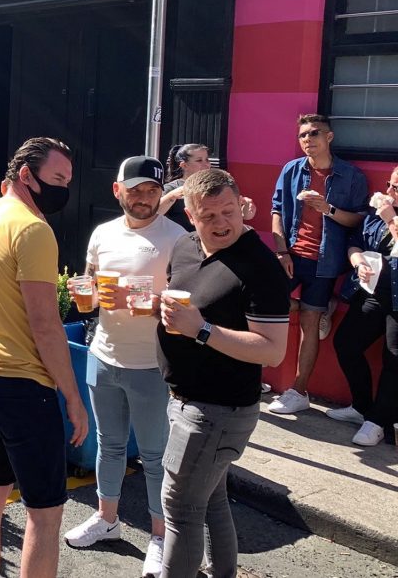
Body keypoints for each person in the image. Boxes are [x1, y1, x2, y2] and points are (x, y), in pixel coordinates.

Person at [156, 168, 289, 577]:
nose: (221, 223)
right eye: (208, 215)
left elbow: (272, 351)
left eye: (228, 212)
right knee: (210, 500)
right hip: (184, 398)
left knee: (179, 507)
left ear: (241, 207)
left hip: (217, 410)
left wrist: (202, 330)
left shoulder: (261, 267)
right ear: (190, 215)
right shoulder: (184, 247)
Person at [0, 136, 87, 578]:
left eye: (68, 180)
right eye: (57, 179)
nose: (63, 189)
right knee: (45, 513)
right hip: (21, 386)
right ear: (26, 175)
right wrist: (73, 396)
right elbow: (45, 324)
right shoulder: (34, 230)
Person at [62, 156, 184, 577]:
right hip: (103, 354)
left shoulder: (177, 237)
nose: (144, 198)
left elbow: (188, 303)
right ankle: (107, 518)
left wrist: (149, 305)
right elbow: (91, 283)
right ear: (118, 191)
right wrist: (85, 295)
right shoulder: (102, 233)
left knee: (154, 456)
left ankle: (159, 535)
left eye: (152, 190)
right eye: (135, 190)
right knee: (108, 445)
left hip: (151, 364)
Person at [269, 114, 368, 415]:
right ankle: (324, 306)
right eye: (302, 136)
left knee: (309, 325)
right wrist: (281, 251)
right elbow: (276, 211)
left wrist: (327, 208)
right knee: (264, 305)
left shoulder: (351, 176)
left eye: (314, 134)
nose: (307, 141)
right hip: (290, 257)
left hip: (324, 263)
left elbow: (360, 220)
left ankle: (299, 391)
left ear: (330, 137)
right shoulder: (291, 170)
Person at [327, 166, 398, 446]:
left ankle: (378, 421)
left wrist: (392, 218)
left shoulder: (387, 213)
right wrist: (358, 262)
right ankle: (362, 407)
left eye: (396, 187)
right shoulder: (377, 211)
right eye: (390, 185)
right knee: (346, 343)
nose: (389, 192)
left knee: (394, 358)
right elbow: (355, 241)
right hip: (373, 291)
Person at [160, 144, 256, 231]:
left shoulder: (217, 184)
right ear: (184, 165)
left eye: (207, 159)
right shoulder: (172, 188)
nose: (206, 164)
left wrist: (244, 210)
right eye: (199, 160)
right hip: (183, 242)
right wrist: (171, 196)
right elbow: (154, 214)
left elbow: (244, 215)